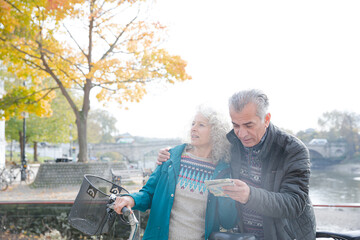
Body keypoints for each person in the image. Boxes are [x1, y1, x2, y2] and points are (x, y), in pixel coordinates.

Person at [157, 89, 316, 240]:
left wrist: (249, 195)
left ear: (266, 119)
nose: (241, 134)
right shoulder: (231, 143)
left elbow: (295, 203)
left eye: (249, 125)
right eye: (235, 125)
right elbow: (201, 150)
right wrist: (170, 155)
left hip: (284, 236)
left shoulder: (292, 149)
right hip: (242, 235)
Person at [113, 105, 237, 240]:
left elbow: (228, 221)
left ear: (216, 132)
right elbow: (148, 193)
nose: (193, 128)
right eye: (193, 123)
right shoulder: (171, 158)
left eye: (201, 125)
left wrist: (226, 195)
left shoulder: (223, 170)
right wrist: (130, 199)